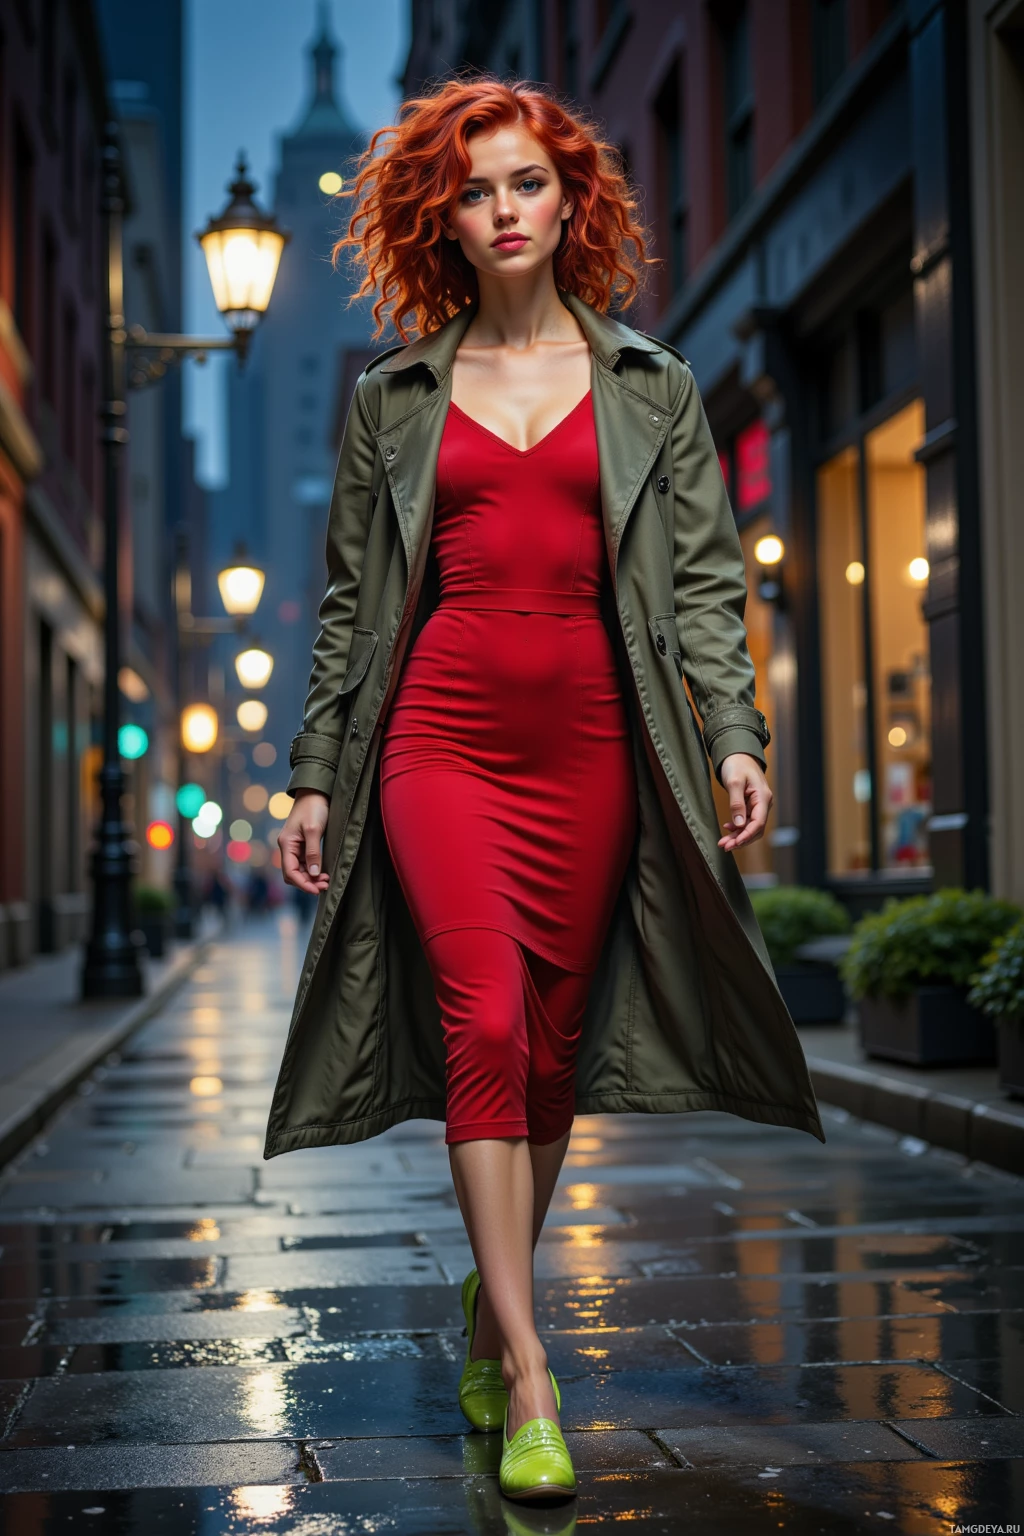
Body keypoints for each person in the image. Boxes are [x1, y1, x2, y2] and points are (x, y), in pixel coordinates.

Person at [268, 76, 823, 1504]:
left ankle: (487, 1298)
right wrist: (316, 774)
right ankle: (529, 1373)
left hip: (594, 751)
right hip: (438, 742)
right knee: (487, 1021)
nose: (502, 210)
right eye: (473, 190)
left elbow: (705, 583)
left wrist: (735, 736)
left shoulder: (652, 385)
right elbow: (349, 605)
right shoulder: (395, 398)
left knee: (556, 1049)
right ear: (438, 221)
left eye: (525, 183)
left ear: (569, 200)